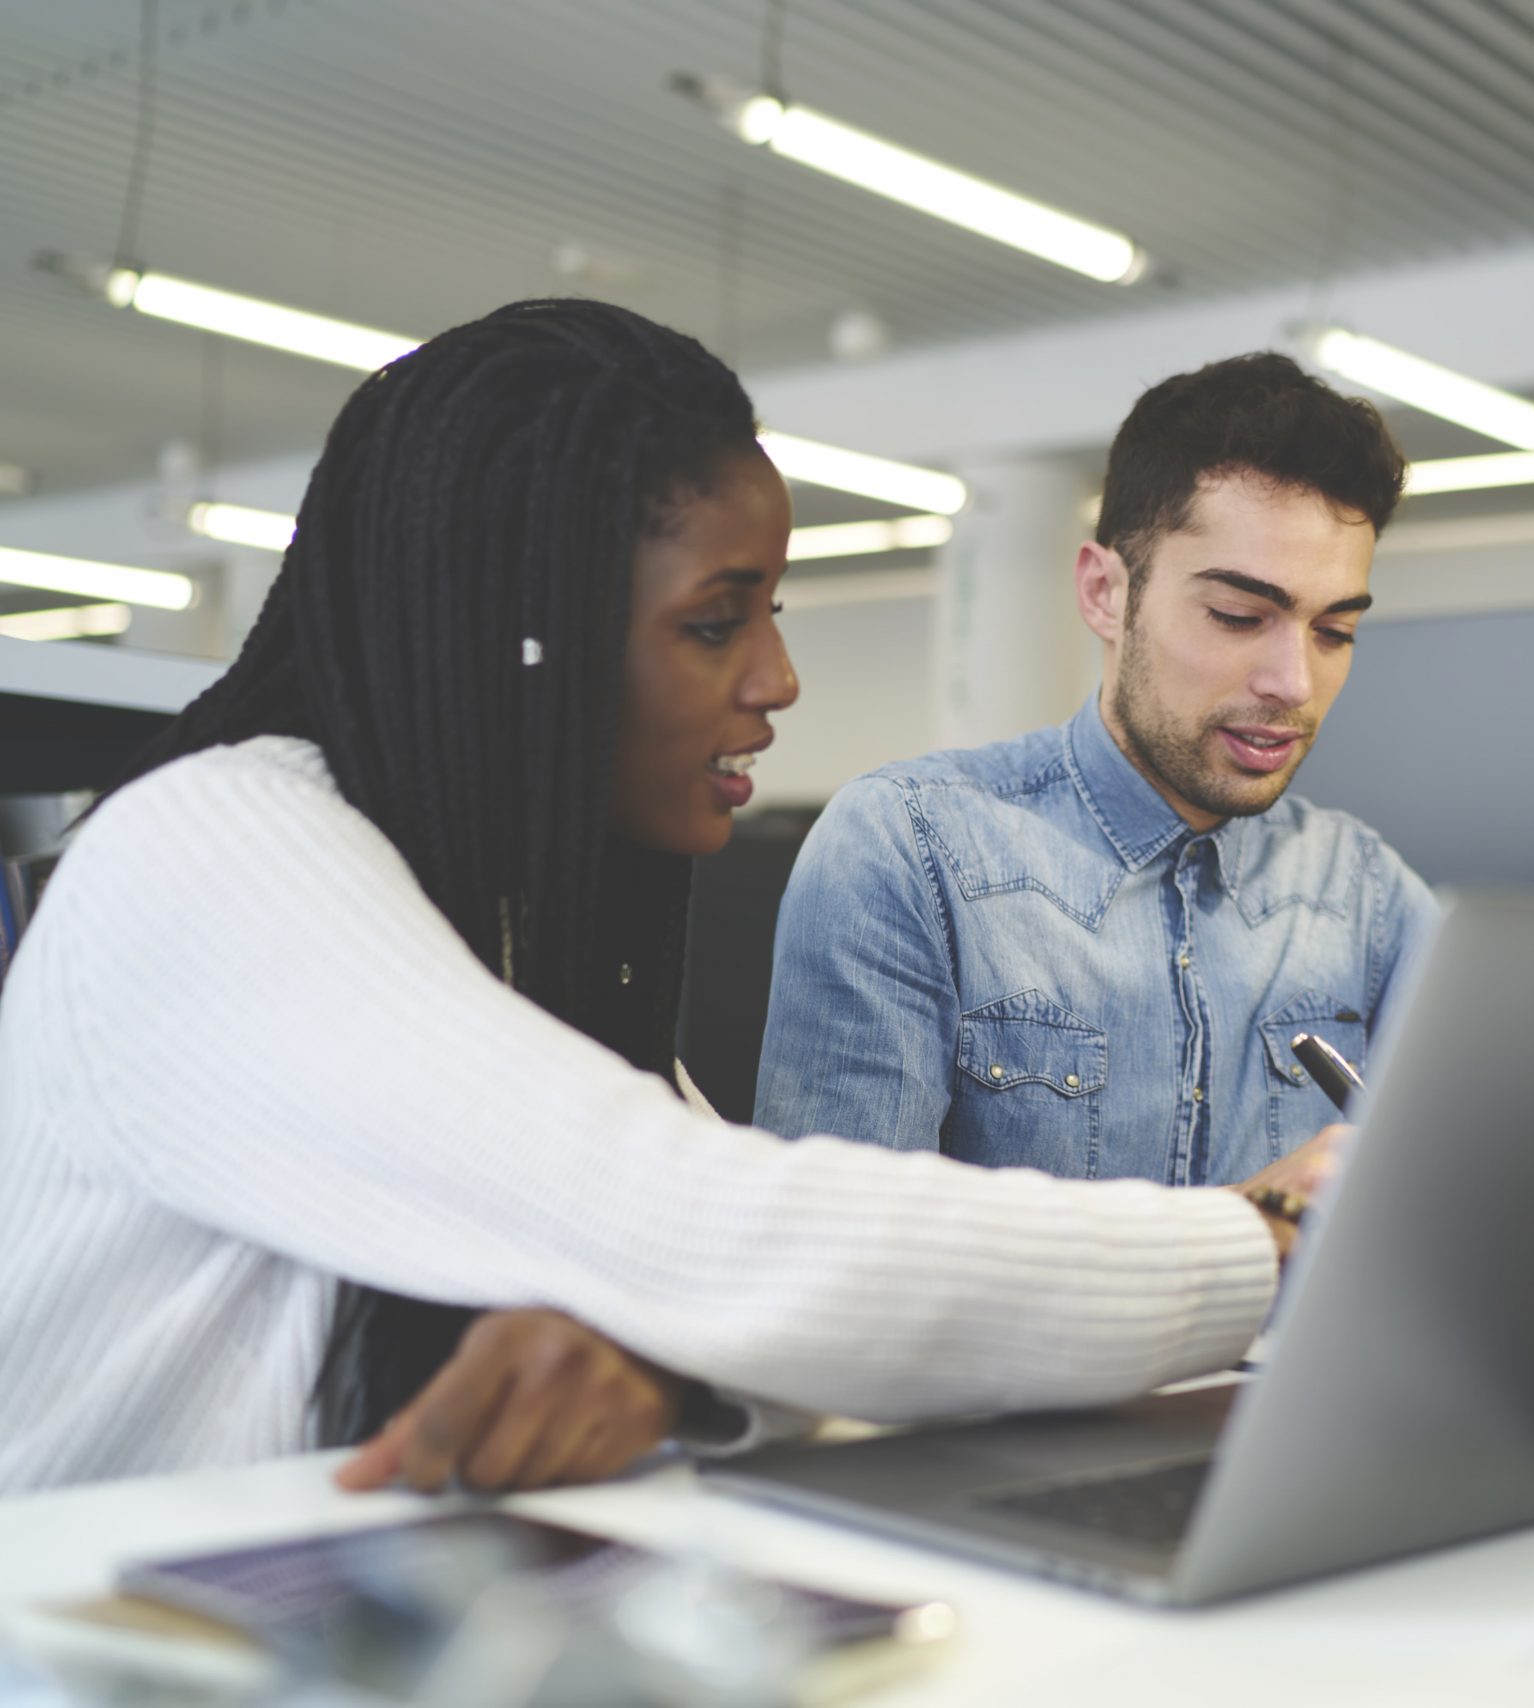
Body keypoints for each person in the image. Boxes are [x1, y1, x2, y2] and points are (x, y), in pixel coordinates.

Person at [0, 300, 1320, 1499]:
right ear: (528, 632)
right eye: (714, 622)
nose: (781, 679)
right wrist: (1265, 1239)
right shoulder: (214, 851)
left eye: (773, 612)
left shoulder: (509, 905)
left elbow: (724, 1288)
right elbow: (710, 1234)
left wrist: (673, 1368)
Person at [755, 353, 1436, 1186]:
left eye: (1335, 631)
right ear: (1105, 593)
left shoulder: (1365, 893)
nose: (1294, 683)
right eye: (1237, 616)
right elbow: (840, 1267)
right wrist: (1240, 1233)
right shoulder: (910, 849)